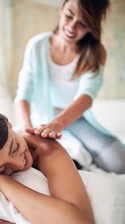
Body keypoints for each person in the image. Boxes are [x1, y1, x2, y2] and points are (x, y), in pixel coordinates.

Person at [15, 0, 125, 174]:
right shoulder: (37, 46)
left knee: (119, 162)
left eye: (83, 23)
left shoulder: (96, 53)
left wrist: (58, 124)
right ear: (61, 8)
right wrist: (27, 129)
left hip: (77, 119)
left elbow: (87, 96)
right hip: (44, 116)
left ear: (92, 27)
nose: (72, 27)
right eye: (69, 16)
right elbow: (23, 93)